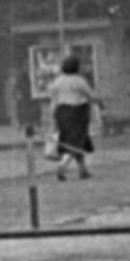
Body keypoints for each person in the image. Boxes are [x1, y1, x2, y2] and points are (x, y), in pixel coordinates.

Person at [46, 53, 103, 181]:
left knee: (73, 141)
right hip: (77, 114)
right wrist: (100, 102)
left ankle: (83, 170)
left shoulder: (58, 80)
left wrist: (52, 117)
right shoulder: (79, 80)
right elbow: (90, 95)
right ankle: (62, 166)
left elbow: (52, 98)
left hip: (61, 113)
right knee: (76, 142)